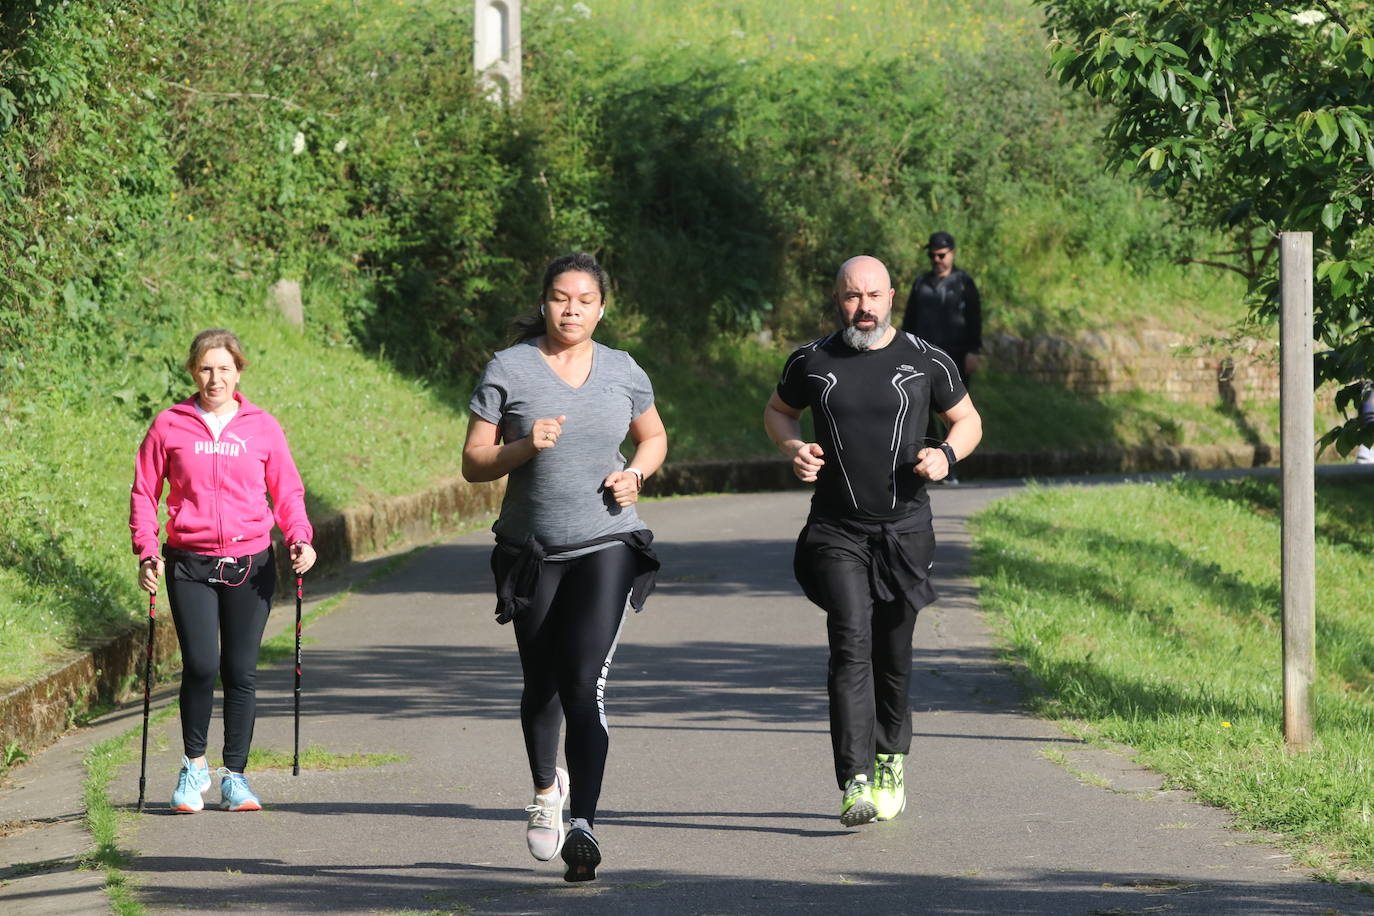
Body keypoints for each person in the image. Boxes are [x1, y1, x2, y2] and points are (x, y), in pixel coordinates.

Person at [462, 252, 667, 882]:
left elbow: (654, 437)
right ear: (545, 302)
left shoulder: (623, 370)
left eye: (584, 299)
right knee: (541, 682)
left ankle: (584, 824)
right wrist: (525, 445)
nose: (571, 308)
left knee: (583, 681)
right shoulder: (510, 367)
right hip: (531, 551)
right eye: (560, 297)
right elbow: (474, 461)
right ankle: (546, 790)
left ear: (602, 308)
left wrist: (634, 473)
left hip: (606, 542)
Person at [764, 255, 982, 827]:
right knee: (850, 639)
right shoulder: (812, 361)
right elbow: (778, 413)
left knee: (894, 650)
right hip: (836, 529)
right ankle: (853, 779)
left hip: (906, 530)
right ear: (838, 299)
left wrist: (946, 454)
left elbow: (969, 421)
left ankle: (891, 757)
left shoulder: (926, 359)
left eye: (874, 296)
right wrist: (793, 449)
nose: (864, 308)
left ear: (892, 298)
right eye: (852, 297)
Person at [130, 328, 317, 814]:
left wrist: (300, 537)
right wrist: (146, 548)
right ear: (194, 371)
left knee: (240, 672)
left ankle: (235, 776)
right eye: (207, 368)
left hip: (249, 564)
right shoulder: (170, 425)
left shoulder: (262, 427)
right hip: (188, 562)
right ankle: (194, 768)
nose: (216, 378)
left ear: (239, 372)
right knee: (200, 665)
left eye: (225, 369)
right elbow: (145, 493)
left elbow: (288, 492)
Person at [900, 231, 982, 481]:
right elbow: (909, 319)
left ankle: (950, 465)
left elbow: (974, 319)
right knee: (922, 408)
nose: (936, 259)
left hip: (955, 356)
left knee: (952, 413)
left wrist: (973, 351)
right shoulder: (921, 283)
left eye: (941, 255)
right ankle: (925, 460)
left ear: (952, 253)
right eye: (932, 255)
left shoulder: (963, 282)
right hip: (922, 356)